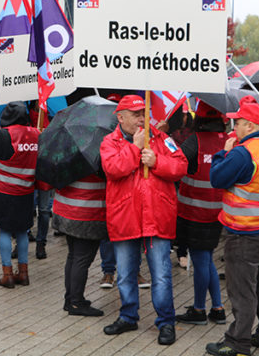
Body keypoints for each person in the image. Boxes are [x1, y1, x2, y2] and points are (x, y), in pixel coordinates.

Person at [99, 95, 188, 346]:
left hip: (156, 217)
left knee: (161, 275)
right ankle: (128, 317)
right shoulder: (109, 142)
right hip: (125, 217)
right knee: (126, 273)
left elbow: (181, 166)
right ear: (120, 117)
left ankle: (166, 321)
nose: (142, 119)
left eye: (144, 113)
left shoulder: (161, 138)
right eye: (136, 114)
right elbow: (113, 169)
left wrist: (157, 161)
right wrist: (135, 148)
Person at [206, 101, 259, 356]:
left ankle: (238, 342)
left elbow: (216, 178)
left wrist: (223, 152)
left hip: (245, 232)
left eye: (237, 123)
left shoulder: (243, 153)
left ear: (249, 126)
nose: (233, 128)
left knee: (242, 291)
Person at [174, 101, 227, 326]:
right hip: (219, 212)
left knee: (200, 260)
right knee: (207, 259)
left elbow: (175, 163)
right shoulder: (228, 141)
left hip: (194, 212)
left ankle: (198, 309)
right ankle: (218, 308)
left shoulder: (195, 140)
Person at [0, 102, 39, 289]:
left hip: (4, 191)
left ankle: (7, 274)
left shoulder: (4, 135)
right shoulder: (36, 134)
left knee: (5, 231)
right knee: (23, 231)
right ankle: (23, 273)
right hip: (26, 191)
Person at [54, 173, 107, 316]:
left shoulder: (66, 158)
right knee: (82, 259)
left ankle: (71, 299)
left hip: (66, 208)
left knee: (73, 256)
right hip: (86, 212)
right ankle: (76, 302)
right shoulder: (93, 159)